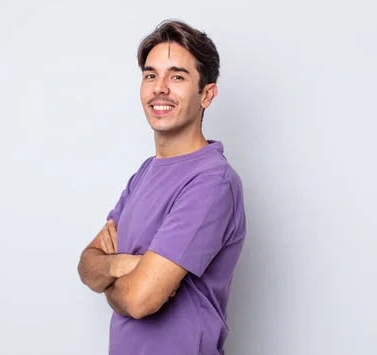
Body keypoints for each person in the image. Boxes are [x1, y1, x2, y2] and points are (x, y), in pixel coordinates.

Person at [77, 19, 246, 355]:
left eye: (177, 76)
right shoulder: (145, 173)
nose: (159, 88)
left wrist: (112, 279)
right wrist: (123, 266)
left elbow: (141, 301)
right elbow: (87, 265)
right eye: (151, 75)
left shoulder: (212, 181)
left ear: (207, 94)